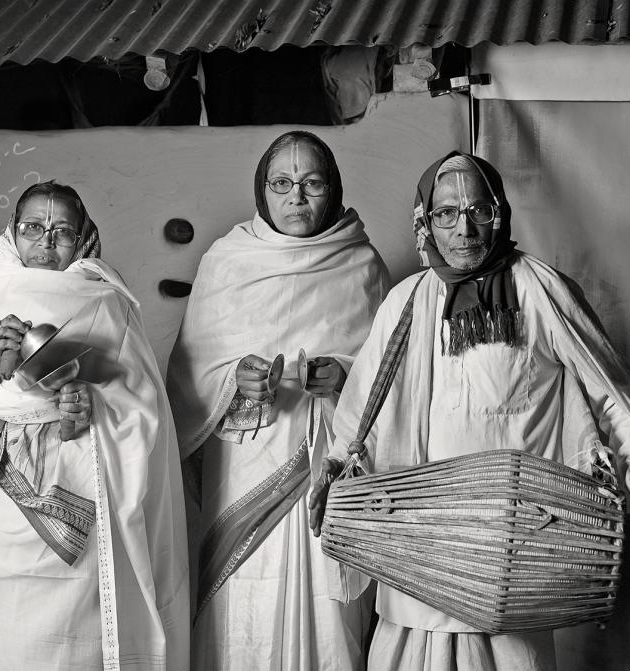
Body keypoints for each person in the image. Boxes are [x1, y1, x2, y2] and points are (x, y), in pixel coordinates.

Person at [308, 152, 630, 671]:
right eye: (447, 214)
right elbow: (362, 406)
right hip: (422, 543)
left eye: (478, 210)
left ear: (499, 213)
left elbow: (606, 387)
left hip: (511, 552)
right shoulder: (407, 301)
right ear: (424, 223)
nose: (464, 228)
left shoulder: (541, 290)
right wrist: (334, 467)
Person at [0, 181, 189, 670]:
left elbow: (146, 417)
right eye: (34, 227)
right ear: (14, 234)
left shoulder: (108, 304)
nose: (46, 240)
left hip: (81, 504)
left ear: (82, 241)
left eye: (62, 231)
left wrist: (90, 412)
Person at [167, 131, 390, 670]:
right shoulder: (227, 261)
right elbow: (189, 378)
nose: (297, 197)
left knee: (330, 611)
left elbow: (397, 380)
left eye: (312, 183)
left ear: (332, 189)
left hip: (330, 474)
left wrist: (344, 378)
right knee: (242, 602)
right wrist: (234, 382)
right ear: (262, 191)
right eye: (282, 183)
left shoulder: (363, 265)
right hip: (243, 465)